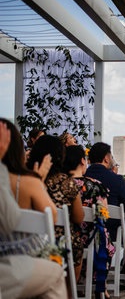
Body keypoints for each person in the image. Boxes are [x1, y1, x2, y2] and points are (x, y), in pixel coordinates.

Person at [0, 121, 68, 299]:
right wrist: (38, 181)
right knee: (56, 273)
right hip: (20, 263)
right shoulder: (29, 183)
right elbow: (51, 218)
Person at [85, 142, 125, 289]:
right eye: (112, 156)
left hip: (86, 230)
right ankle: (124, 273)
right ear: (106, 159)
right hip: (113, 229)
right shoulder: (116, 180)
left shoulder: (83, 177)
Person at [27, 135, 85, 286]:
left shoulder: (24, 179)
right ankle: (69, 292)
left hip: (27, 242)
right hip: (60, 245)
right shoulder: (67, 183)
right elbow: (79, 218)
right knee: (76, 243)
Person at [63, 145, 115, 298]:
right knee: (104, 237)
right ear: (82, 161)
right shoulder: (95, 185)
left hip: (62, 240)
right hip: (91, 241)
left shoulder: (60, 185)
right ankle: (100, 284)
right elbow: (104, 215)